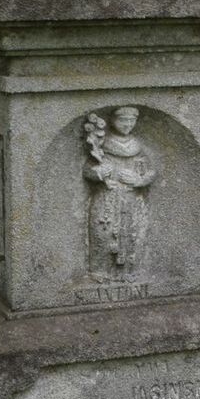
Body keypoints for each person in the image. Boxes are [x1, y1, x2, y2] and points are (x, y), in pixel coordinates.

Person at [83, 107, 156, 276]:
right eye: (123, 120)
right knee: (103, 234)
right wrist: (100, 172)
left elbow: (151, 171)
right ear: (113, 121)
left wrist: (138, 180)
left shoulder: (138, 145)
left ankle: (130, 272)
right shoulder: (101, 145)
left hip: (132, 199)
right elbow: (87, 170)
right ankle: (101, 272)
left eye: (131, 121)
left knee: (133, 234)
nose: (127, 124)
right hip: (107, 199)